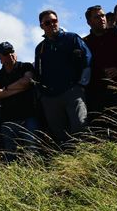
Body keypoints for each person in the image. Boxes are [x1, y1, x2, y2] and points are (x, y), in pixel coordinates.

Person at [35, 10, 92, 142]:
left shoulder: (72, 38)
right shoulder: (40, 48)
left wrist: (81, 84)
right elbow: (38, 72)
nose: (52, 24)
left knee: (80, 127)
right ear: (42, 26)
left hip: (72, 92)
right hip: (50, 97)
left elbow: (87, 59)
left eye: (54, 21)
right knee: (59, 134)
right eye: (47, 23)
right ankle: (66, 161)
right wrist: (42, 94)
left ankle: (85, 158)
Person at [0, 42, 41, 159]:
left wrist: (5, 89)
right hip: (8, 120)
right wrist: (19, 88)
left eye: (12, 51)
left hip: (29, 116)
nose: (10, 55)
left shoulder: (25, 66)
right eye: (6, 53)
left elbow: (27, 82)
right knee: (11, 155)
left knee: (32, 151)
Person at [82, 6, 117, 116]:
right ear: (89, 22)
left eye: (103, 15)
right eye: (97, 17)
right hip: (95, 93)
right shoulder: (84, 43)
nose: (102, 19)